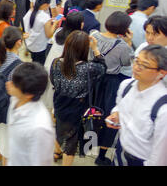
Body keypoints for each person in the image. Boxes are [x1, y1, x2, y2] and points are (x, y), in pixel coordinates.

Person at [51, 31, 106, 166]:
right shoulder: (89, 68)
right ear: (84, 49)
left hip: (59, 103)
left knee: (59, 127)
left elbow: (53, 80)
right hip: (77, 108)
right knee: (71, 140)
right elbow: (103, 68)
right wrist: (95, 49)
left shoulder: (56, 62)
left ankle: (56, 151)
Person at [107, 45, 167, 166]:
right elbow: (119, 106)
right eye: (136, 61)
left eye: (144, 65)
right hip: (120, 152)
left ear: (161, 73)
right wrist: (116, 114)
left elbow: (159, 156)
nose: (136, 67)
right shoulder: (126, 85)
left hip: (141, 160)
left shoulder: (162, 108)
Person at [91, 11, 134, 165]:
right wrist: (129, 43)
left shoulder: (94, 36)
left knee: (90, 112)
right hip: (110, 83)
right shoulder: (122, 45)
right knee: (109, 116)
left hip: (93, 80)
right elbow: (126, 63)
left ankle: (87, 142)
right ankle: (101, 155)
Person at [6, 62, 55, 166]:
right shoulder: (15, 99)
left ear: (28, 94)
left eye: (14, 84)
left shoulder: (40, 128)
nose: (8, 84)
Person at [0, 26, 23, 166]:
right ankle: (2, 161)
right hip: (7, 110)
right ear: (19, 43)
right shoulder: (18, 66)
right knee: (8, 147)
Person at [42, 11, 84, 109]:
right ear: (78, 24)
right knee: (55, 94)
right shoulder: (76, 39)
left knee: (49, 90)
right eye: (82, 22)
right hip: (60, 69)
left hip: (50, 64)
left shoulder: (59, 31)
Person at [23, 0, 61, 65]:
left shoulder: (30, 11)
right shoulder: (45, 17)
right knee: (40, 64)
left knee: (34, 60)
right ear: (45, 4)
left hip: (30, 43)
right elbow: (49, 34)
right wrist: (55, 24)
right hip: (39, 46)